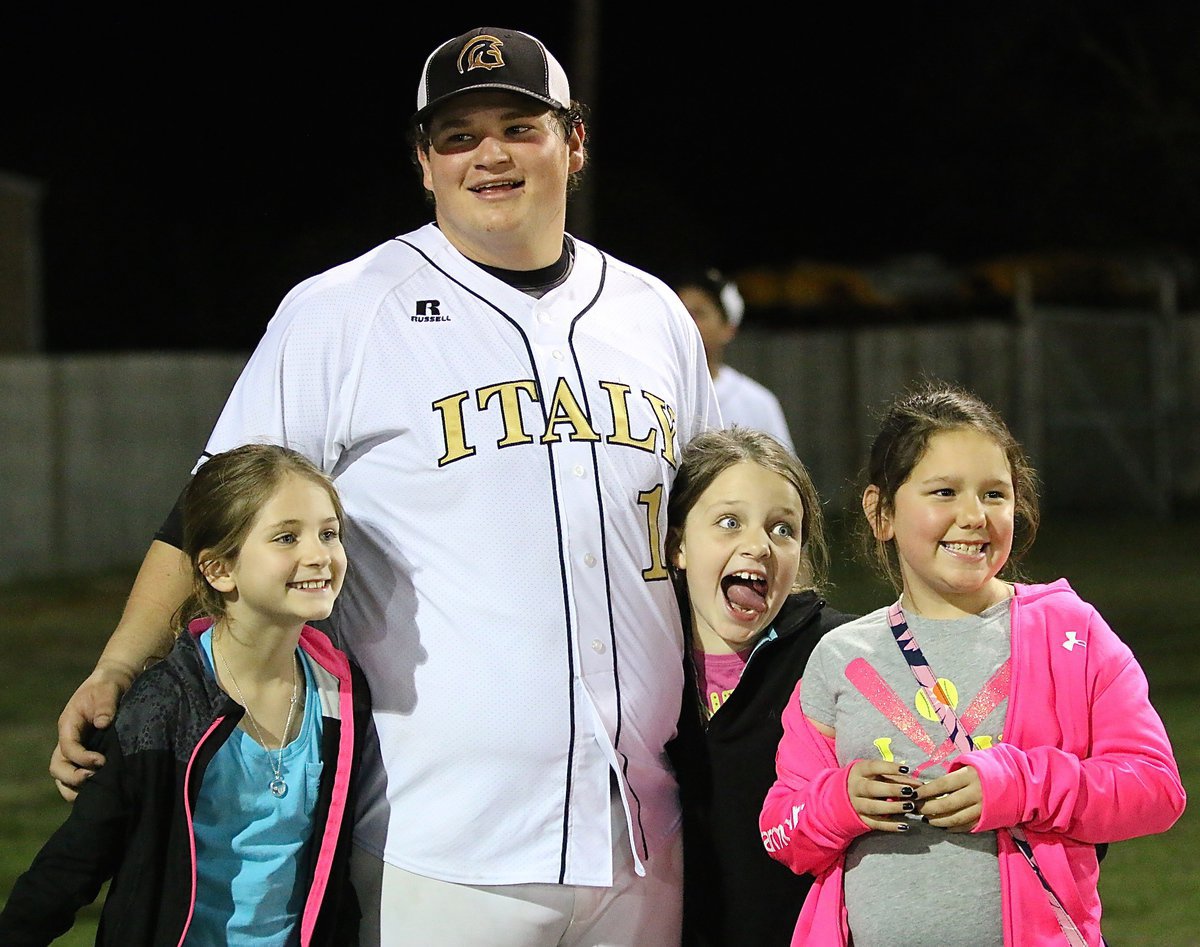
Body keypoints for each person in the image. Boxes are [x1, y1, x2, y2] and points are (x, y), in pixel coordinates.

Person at [49, 25, 718, 947]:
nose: (489, 154)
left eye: (519, 126)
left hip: (647, 830)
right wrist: (121, 663)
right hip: (435, 840)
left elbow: (715, 529)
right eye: (457, 135)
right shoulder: (343, 310)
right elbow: (211, 501)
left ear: (574, 139)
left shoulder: (652, 317)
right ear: (423, 160)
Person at [758, 380, 1186, 946]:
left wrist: (1020, 786)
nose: (974, 516)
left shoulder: (1071, 635)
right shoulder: (839, 658)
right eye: (943, 492)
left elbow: (1155, 791)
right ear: (880, 511)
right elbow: (781, 830)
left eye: (994, 494)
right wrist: (840, 802)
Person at [1, 444, 370, 945]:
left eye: (328, 533)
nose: (319, 555)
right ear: (218, 570)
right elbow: (72, 866)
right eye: (287, 537)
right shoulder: (162, 707)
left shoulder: (342, 693)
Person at [662, 427, 854, 947]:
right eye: (729, 523)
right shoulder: (638, 657)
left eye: (782, 529)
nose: (758, 545)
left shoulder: (841, 656)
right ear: (678, 545)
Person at [673, 266, 795, 451]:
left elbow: (780, 475)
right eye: (680, 314)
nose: (688, 323)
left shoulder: (758, 403)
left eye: (698, 314)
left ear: (728, 328)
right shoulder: (658, 390)